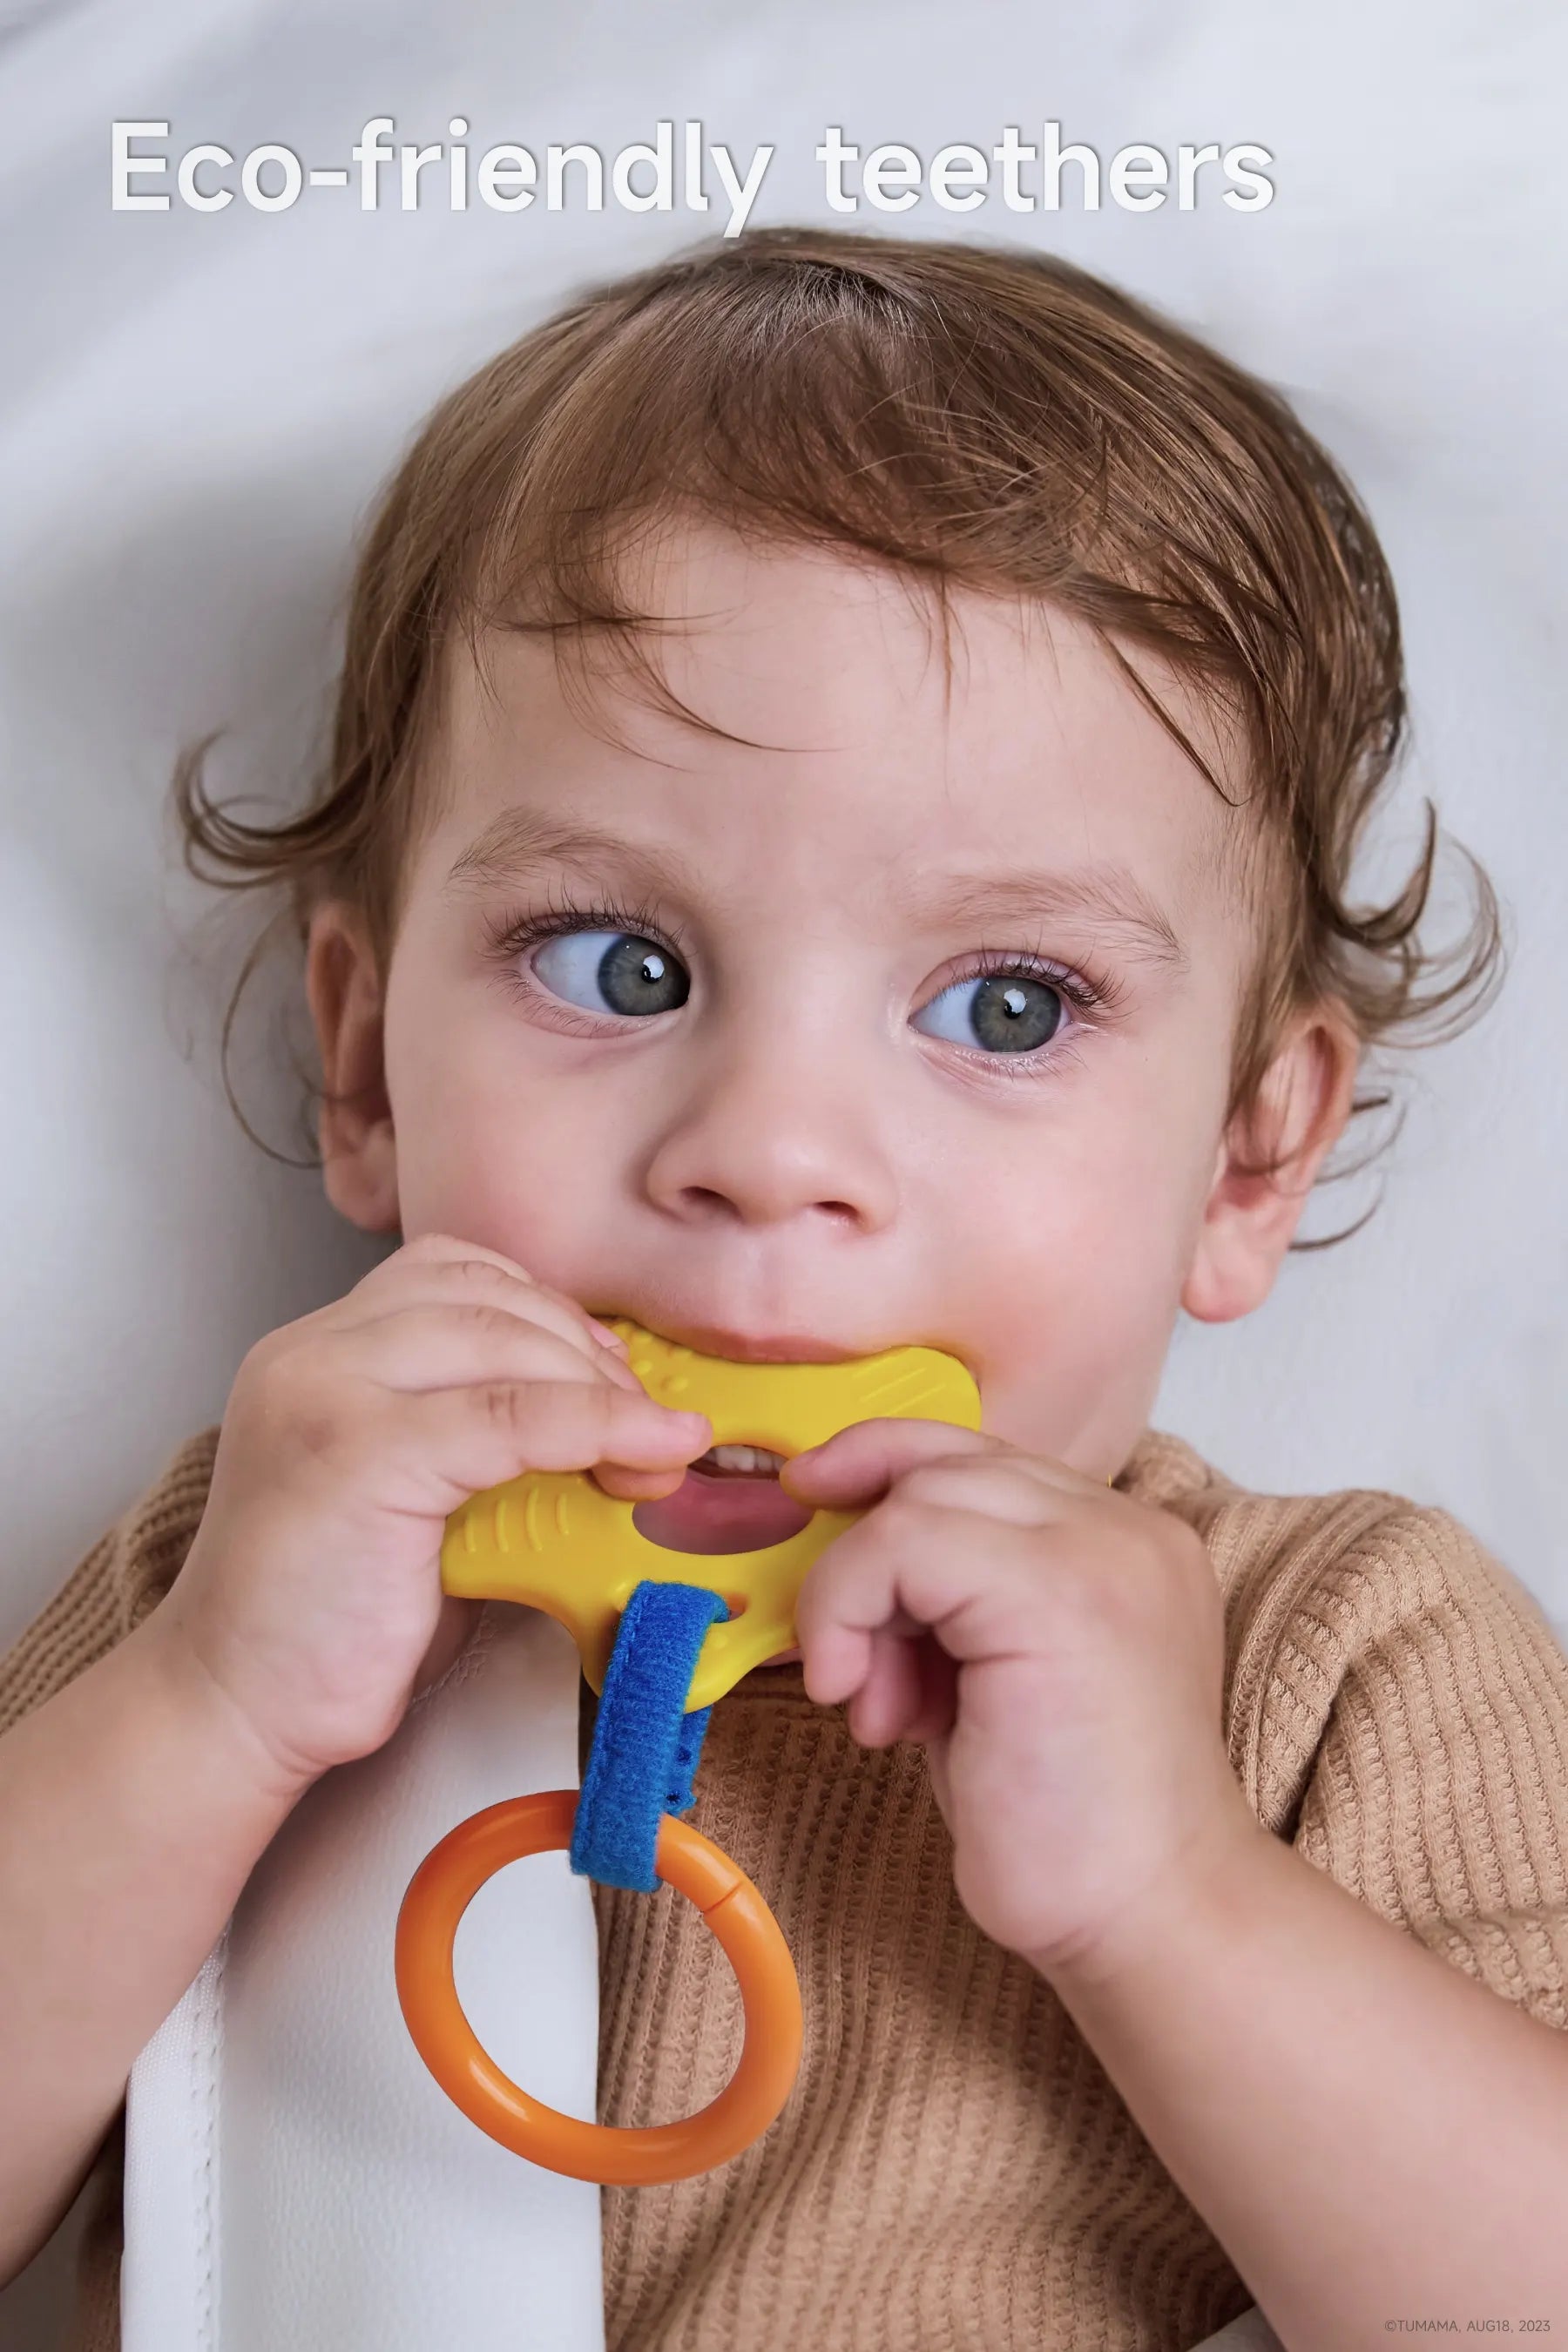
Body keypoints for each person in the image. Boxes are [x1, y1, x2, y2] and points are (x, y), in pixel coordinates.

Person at [3, 225, 1567, 2352]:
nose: (771, 1149)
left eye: (1009, 1006)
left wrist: (1176, 1899)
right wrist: (203, 1714)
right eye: (618, 968)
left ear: (1247, 1152)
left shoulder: (1329, 1655)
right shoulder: (250, 1565)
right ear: (362, 1064)